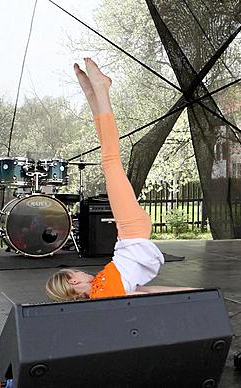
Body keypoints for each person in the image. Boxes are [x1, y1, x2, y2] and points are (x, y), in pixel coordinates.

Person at [46, 59, 193, 301]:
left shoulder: (101, 289)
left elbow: (146, 291)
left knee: (109, 157)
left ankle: (95, 95)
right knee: (110, 160)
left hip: (130, 237)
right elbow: (140, 296)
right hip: (131, 234)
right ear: (74, 281)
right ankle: (100, 91)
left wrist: (196, 294)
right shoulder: (102, 294)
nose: (82, 272)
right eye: (77, 272)